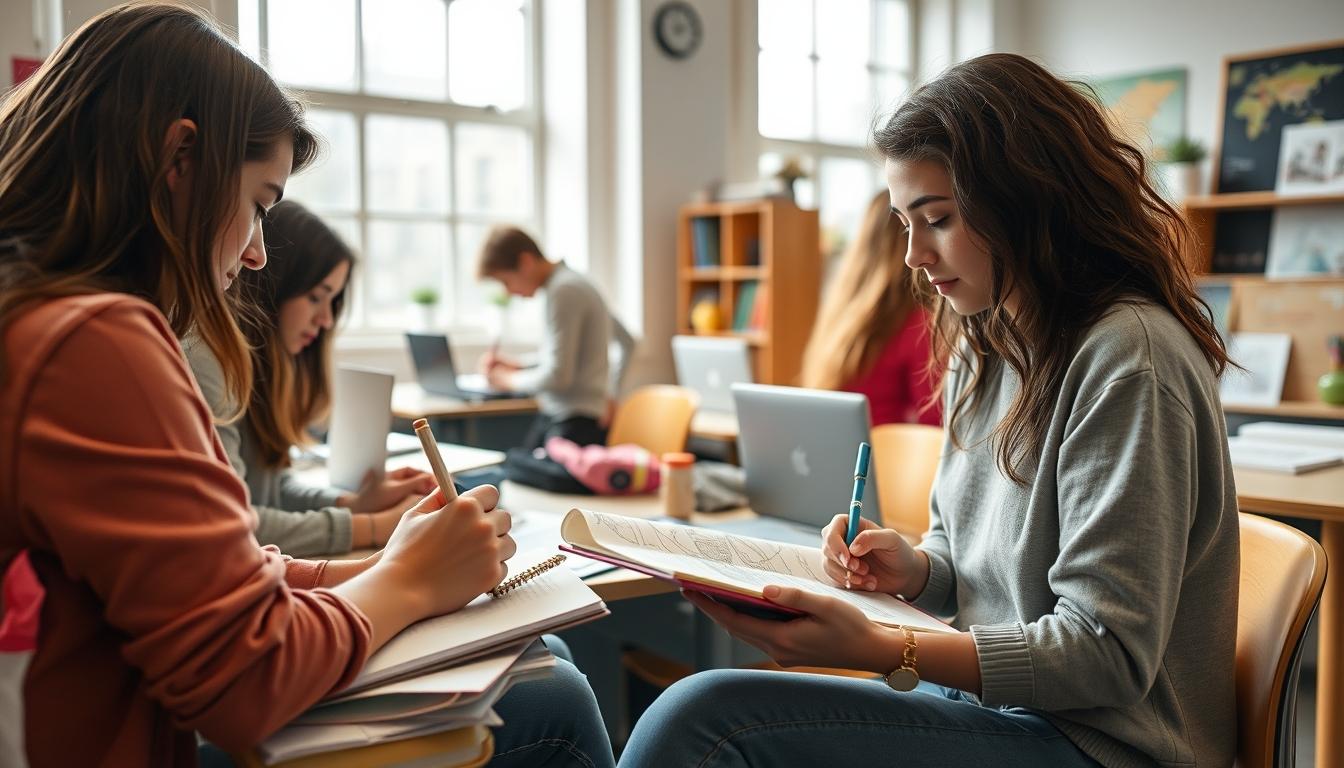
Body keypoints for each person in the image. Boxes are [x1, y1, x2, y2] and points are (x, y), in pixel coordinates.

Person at [0, 5, 612, 766]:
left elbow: (220, 574)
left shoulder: (34, 312)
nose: (259, 255)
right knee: (551, 696)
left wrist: (396, 567)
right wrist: (408, 585)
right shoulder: (90, 340)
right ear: (179, 159)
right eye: (259, 206)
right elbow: (245, 677)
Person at [620, 53, 1238, 768]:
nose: (914, 255)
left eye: (937, 219)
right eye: (902, 223)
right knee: (707, 713)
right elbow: (964, 561)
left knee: (709, 721)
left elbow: (1106, 652)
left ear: (1029, 200)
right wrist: (913, 569)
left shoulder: (1130, 357)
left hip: (1102, 743)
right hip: (994, 711)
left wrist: (886, 647)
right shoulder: (988, 342)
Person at [185, 199, 434, 557]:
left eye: (332, 302)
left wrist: (355, 502)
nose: (326, 320)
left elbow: (270, 487)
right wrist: (377, 526)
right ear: (269, 286)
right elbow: (235, 520)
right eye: (316, 297)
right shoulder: (208, 360)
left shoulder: (258, 368)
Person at [476, 226, 636, 450]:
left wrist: (509, 380)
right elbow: (627, 342)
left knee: (511, 470)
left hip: (574, 423)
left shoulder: (563, 291)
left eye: (506, 281)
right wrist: (611, 396)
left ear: (525, 262)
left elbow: (559, 376)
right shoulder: (577, 282)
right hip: (580, 417)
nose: (508, 293)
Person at [801, 190, 942, 426]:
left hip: (836, 451)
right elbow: (935, 424)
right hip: (883, 459)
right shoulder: (920, 324)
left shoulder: (842, 311)